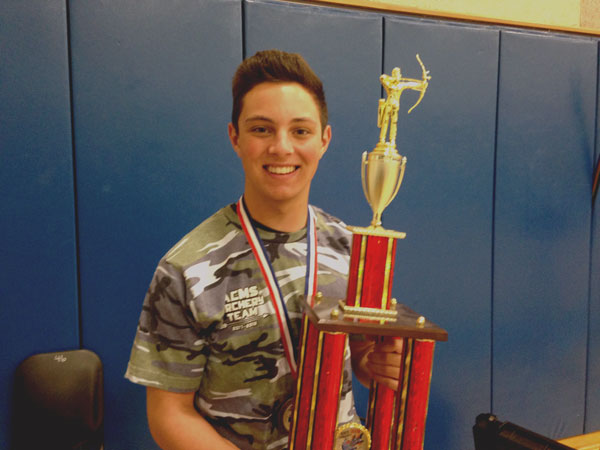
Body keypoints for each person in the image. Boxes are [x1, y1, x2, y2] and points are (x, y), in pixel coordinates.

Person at [125, 49, 404, 450]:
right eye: (261, 129)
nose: (281, 148)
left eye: (301, 131)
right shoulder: (186, 268)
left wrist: (372, 364)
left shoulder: (352, 247)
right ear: (235, 138)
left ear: (324, 140)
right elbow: (169, 415)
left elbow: (359, 354)